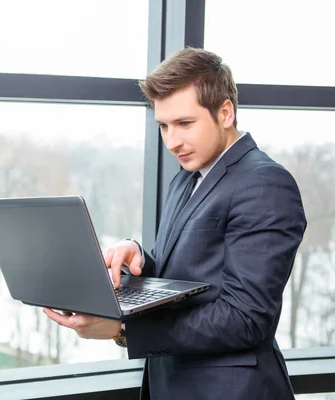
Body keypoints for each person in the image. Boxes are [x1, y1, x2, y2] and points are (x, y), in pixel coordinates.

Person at [43, 48, 306, 400]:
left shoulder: (265, 184)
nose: (172, 142)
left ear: (225, 113)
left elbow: (246, 318)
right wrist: (138, 257)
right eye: (163, 126)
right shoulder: (188, 176)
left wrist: (123, 329)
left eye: (184, 123)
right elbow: (194, 276)